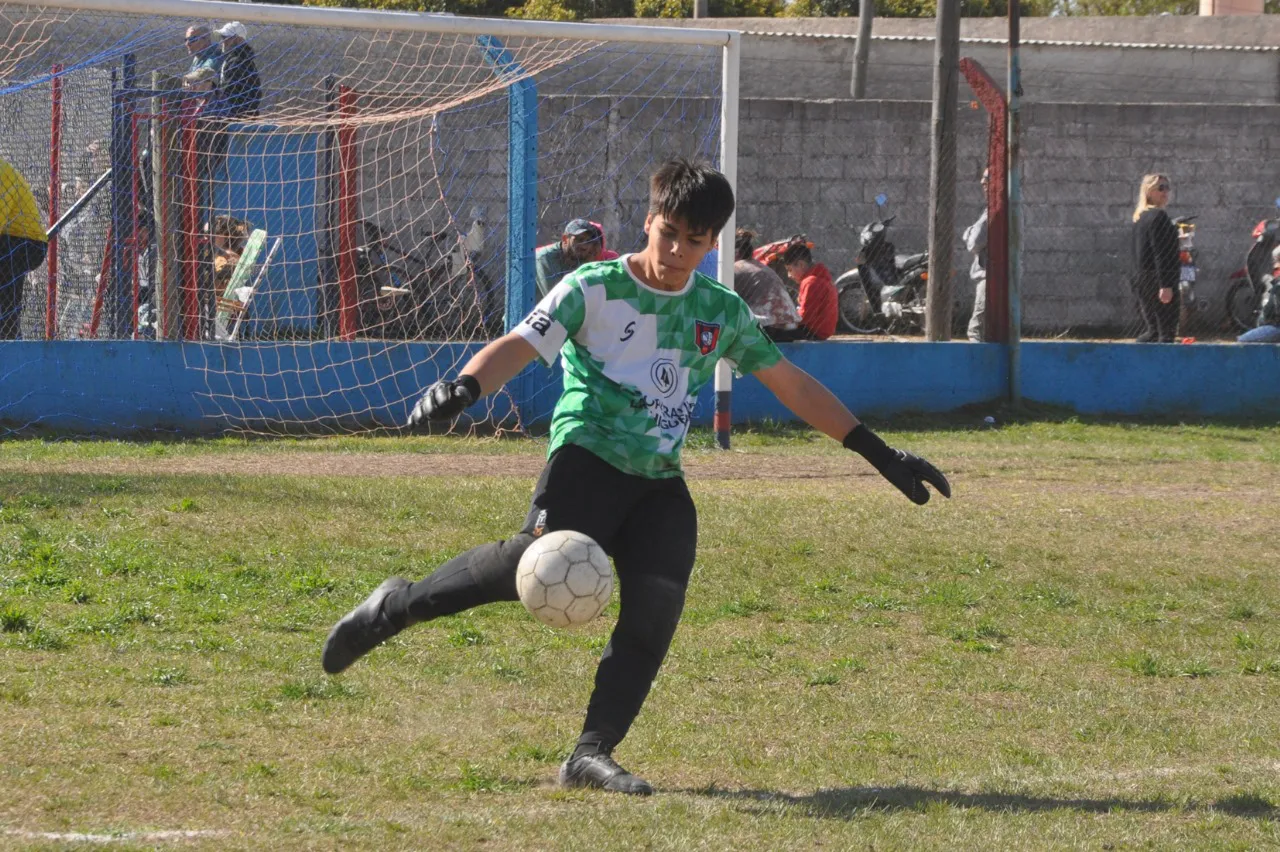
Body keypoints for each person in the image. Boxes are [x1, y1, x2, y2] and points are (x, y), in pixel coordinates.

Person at [320, 158, 950, 796]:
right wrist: (465, 385)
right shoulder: (592, 287)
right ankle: (393, 607)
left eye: (695, 241)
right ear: (648, 221)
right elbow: (518, 344)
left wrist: (880, 454)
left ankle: (590, 754)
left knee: (656, 609)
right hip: (586, 458)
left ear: (714, 244)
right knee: (526, 566)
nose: (677, 251)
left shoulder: (720, 311)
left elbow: (792, 385)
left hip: (659, 480)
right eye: (668, 232)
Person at [0, 157, 49, 339]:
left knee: (6, 302)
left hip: (27, 242)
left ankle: (9, 335)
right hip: (9, 239)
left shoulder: (1, 171)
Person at [1130, 173, 1180, 343]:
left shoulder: (1140, 217)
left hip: (1142, 278)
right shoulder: (1158, 217)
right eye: (1161, 188)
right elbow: (1161, 252)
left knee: (1153, 331)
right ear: (1149, 191)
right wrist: (1165, 285)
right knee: (1166, 333)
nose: (1165, 192)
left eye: (1167, 188)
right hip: (1158, 278)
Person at [733, 228, 804, 342]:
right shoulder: (762, 267)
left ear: (736, 253)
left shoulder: (736, 269)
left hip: (768, 327)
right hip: (791, 327)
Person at [534, 218, 604, 299]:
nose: (584, 246)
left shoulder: (580, 258)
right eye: (579, 240)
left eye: (588, 241)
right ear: (565, 239)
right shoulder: (545, 257)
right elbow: (556, 298)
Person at [782, 240, 838, 340]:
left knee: (771, 334)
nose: (789, 275)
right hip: (819, 331)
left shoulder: (811, 282)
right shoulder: (820, 278)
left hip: (812, 333)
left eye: (790, 270)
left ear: (801, 265)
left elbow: (804, 317)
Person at [964, 169, 989, 343]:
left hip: (989, 275)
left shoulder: (992, 212)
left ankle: (977, 364)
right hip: (1003, 275)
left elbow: (973, 242)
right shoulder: (1012, 208)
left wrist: (969, 231)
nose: (983, 187)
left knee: (976, 330)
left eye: (986, 182)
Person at [216, 21, 261, 119]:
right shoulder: (234, 58)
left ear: (239, 39)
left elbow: (228, 91)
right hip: (237, 113)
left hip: (235, 116)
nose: (223, 42)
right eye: (222, 37)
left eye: (226, 38)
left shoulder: (238, 61)